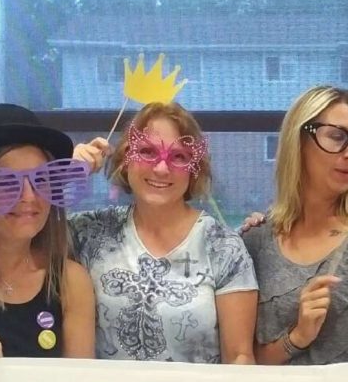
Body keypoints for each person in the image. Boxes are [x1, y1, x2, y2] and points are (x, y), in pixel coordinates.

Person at [70, 102, 258, 364]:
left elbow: (239, 357)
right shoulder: (88, 233)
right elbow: (22, 234)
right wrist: (66, 174)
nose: (161, 168)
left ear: (195, 169)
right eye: (147, 152)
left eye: (179, 157)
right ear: (125, 159)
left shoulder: (223, 248)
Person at [242, 86, 348, 365]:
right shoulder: (256, 239)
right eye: (337, 137)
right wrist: (297, 337)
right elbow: (244, 359)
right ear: (299, 141)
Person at [0, 104, 97, 358]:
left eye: (41, 179)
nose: (29, 196)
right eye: (6, 182)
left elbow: (79, 381)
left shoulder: (70, 283)